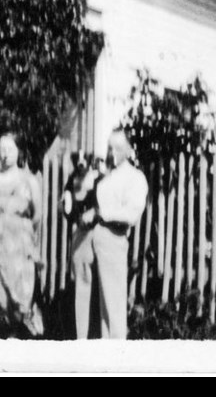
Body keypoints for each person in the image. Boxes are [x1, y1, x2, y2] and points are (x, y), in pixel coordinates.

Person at [67, 128, 148, 340]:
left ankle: (114, 357)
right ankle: (81, 345)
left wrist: (101, 212)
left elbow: (130, 214)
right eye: (109, 147)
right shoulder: (101, 174)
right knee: (83, 297)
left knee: (112, 303)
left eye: (118, 148)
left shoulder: (135, 178)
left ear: (130, 149)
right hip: (85, 238)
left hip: (112, 238)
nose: (112, 152)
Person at [0, 131, 45, 337]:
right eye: (1, 149)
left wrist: (18, 230)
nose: (5, 153)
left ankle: (16, 334)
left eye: (10, 149)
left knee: (21, 297)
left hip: (20, 249)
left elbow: (38, 215)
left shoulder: (28, 180)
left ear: (19, 151)